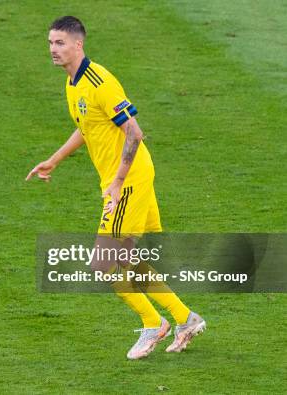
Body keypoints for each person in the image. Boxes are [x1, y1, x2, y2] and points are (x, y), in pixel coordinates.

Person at [26, 16, 206, 360]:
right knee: (127, 257)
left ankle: (155, 323)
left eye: (60, 43)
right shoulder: (72, 83)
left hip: (129, 179)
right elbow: (88, 127)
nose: (53, 49)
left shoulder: (99, 82)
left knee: (104, 262)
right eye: (50, 42)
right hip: (127, 178)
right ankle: (185, 319)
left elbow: (134, 133)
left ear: (79, 44)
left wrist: (118, 183)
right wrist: (55, 159)